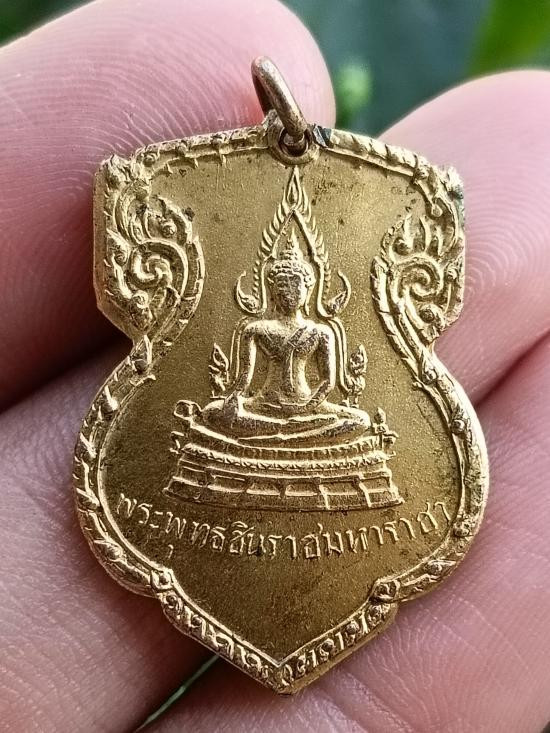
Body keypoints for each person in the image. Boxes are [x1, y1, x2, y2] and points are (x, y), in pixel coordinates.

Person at [1, 0, 550, 731]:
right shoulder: (259, 326)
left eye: (298, 283)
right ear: (268, 283)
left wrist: (338, 408)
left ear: (312, 283)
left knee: (349, 423)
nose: (290, 291)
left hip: (315, 423)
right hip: (257, 421)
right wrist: (227, 408)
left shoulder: (320, 329)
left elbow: (335, 393)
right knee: (226, 420)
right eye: (281, 283)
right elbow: (242, 390)